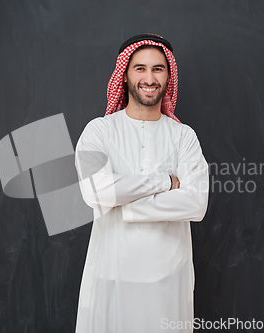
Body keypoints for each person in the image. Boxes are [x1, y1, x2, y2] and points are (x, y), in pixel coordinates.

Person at [74, 33, 209, 333]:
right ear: (124, 76)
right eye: (140, 68)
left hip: (168, 281)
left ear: (168, 76)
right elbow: (97, 191)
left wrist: (126, 205)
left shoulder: (183, 137)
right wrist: (164, 182)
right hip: (111, 277)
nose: (149, 78)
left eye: (158, 69)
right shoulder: (99, 131)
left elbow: (196, 203)